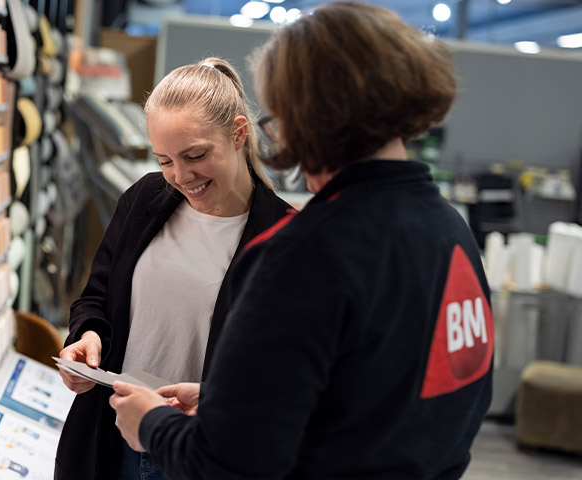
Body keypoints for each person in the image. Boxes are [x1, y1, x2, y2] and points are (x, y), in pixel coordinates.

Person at [109, 2, 494, 479]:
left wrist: (152, 424)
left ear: (311, 116)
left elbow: (228, 463)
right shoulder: (451, 234)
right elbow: (397, 398)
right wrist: (232, 400)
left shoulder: (301, 255)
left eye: (280, 117)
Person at [54, 57, 292, 479]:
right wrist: (87, 338)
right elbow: (97, 297)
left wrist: (214, 400)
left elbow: (287, 377)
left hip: (198, 455)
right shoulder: (143, 200)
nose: (181, 176)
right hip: (112, 434)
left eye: (195, 155)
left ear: (239, 133)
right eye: (164, 160)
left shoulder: (287, 240)